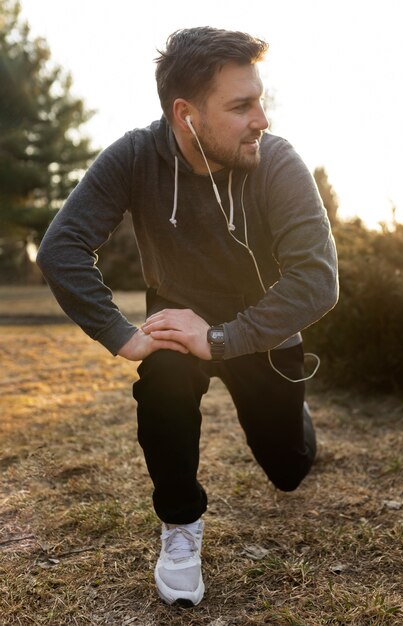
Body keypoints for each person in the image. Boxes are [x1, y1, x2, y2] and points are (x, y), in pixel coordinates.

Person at [37, 26, 338, 607]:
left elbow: (317, 280)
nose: (262, 119)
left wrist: (223, 338)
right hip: (175, 323)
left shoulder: (277, 163)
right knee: (165, 383)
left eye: (259, 100)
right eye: (241, 105)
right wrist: (118, 333)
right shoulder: (134, 157)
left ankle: (295, 418)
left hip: (265, 332)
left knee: (289, 469)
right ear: (186, 114)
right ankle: (179, 527)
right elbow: (61, 248)